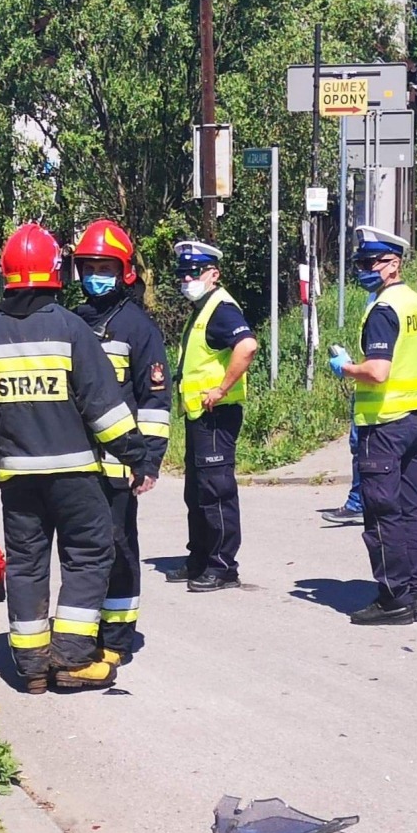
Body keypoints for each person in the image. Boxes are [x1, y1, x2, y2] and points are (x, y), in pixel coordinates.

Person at [0, 222, 148, 694]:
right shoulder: (71, 329)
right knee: (87, 557)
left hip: (17, 479)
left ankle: (30, 666)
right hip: (75, 475)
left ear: (5, 275)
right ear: (55, 273)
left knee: (26, 564)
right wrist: (137, 455)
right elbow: (104, 408)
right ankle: (70, 660)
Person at [68, 219, 171, 685]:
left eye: (105, 266)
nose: (96, 275)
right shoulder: (70, 320)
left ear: (124, 270)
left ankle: (117, 639)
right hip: (75, 465)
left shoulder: (137, 327)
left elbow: (154, 402)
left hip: (119, 466)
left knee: (119, 548)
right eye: (89, 267)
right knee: (83, 554)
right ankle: (82, 636)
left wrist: (147, 461)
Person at [329, 228, 417, 625]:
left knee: (381, 514)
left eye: (371, 263)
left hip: (383, 426)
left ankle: (394, 598)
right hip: (415, 420)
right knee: (411, 510)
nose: (363, 270)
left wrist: (345, 368)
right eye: (359, 264)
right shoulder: (416, 304)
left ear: (394, 263)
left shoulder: (383, 310)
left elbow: (376, 371)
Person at [167, 240, 258, 592]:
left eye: (194, 273)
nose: (186, 279)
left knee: (216, 492)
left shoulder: (221, 308)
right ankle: (199, 559)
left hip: (217, 414)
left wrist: (221, 388)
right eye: (183, 274)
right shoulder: (204, 308)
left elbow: (247, 346)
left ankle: (222, 567)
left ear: (214, 274)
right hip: (199, 415)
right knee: (197, 492)